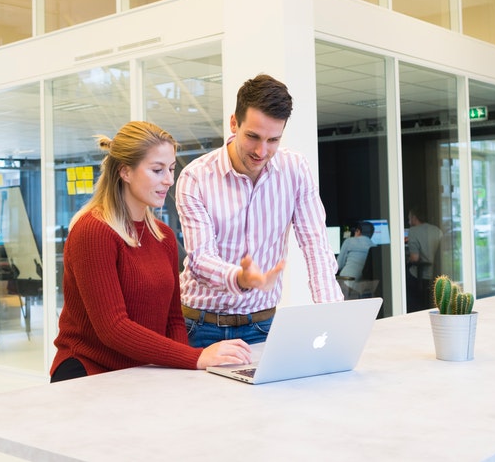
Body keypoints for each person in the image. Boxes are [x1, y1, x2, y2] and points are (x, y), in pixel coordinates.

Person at [49, 121, 252, 382]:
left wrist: (184, 370)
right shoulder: (93, 231)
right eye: (157, 170)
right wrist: (195, 357)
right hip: (90, 373)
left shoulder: (163, 236)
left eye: (171, 169)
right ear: (125, 171)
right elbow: (113, 329)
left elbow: (174, 320)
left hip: (143, 371)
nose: (169, 180)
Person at [176, 74, 344, 348]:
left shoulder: (295, 169)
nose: (261, 151)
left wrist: (332, 316)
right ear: (234, 123)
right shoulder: (195, 177)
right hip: (198, 326)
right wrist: (239, 278)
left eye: (273, 140)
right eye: (252, 137)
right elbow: (200, 260)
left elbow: (316, 245)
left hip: (262, 324)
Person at [406, 207, 443, 311]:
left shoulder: (413, 231)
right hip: (436, 274)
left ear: (414, 217)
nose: (408, 220)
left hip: (422, 276)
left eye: (409, 217)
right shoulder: (437, 230)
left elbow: (414, 257)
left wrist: (407, 260)